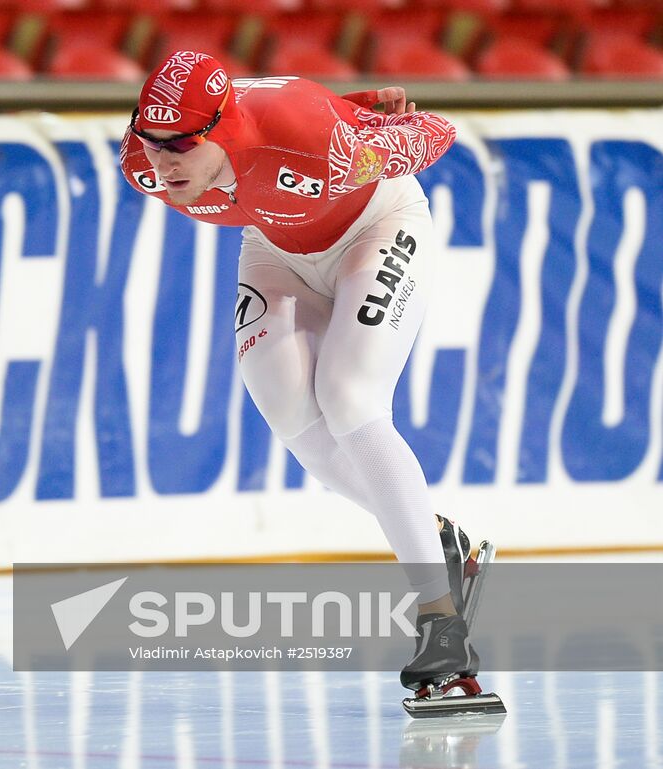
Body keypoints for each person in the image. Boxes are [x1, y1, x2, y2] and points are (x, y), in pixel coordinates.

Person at [121, 50, 481, 699]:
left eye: (178, 145)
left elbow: (437, 134)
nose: (162, 162)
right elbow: (170, 143)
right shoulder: (141, 166)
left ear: (221, 128)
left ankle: (440, 619)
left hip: (376, 224)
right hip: (274, 247)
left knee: (350, 396)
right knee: (292, 414)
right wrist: (356, 106)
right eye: (150, 141)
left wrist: (361, 127)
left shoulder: (309, 143)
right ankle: (434, 538)